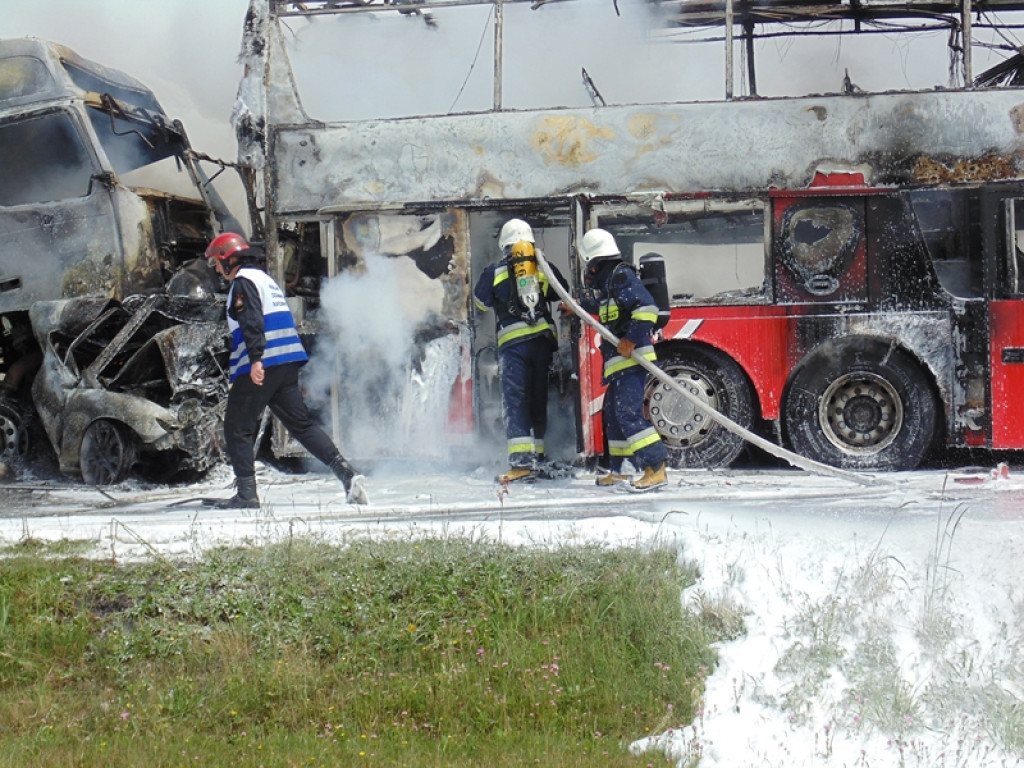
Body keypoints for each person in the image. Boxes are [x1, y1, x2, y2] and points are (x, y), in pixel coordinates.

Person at [204, 232, 367, 508]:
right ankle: (347, 475)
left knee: (237, 426)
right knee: (301, 425)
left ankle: (246, 495)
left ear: (228, 259)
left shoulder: (243, 283)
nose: (217, 270)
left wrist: (255, 359)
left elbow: (252, 320)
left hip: (263, 363)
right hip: (286, 362)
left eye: (217, 264)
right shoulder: (264, 279)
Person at [474, 218, 566, 482]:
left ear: (504, 245)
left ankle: (520, 463)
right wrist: (542, 264)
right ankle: (539, 454)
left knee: (516, 401)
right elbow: (562, 292)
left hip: (514, 347)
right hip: (542, 344)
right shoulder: (540, 270)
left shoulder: (494, 272)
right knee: (538, 399)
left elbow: (480, 304)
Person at [578, 228, 669, 492]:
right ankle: (620, 469)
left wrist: (631, 339)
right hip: (619, 364)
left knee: (629, 415)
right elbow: (610, 311)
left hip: (632, 360)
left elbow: (646, 308)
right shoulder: (611, 285)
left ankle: (656, 468)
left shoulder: (621, 276)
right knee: (614, 418)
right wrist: (577, 306)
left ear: (594, 261)